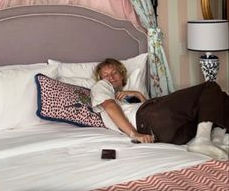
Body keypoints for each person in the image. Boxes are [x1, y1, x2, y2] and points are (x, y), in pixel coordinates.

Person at [91, 58, 229, 160]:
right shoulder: (101, 86)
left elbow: (151, 110)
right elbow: (110, 106)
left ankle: (216, 142)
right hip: (148, 121)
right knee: (210, 87)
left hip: (169, 134)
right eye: (106, 75)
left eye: (114, 72)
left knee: (220, 98)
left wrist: (138, 95)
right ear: (100, 79)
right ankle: (203, 140)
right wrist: (134, 134)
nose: (110, 77)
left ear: (122, 74)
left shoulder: (129, 94)